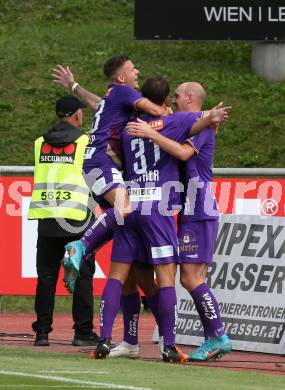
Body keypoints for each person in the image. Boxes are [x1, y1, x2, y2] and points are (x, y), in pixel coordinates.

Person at [91, 76, 230, 362]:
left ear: (190, 99)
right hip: (175, 209)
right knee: (146, 275)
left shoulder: (196, 128)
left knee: (191, 278)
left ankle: (216, 335)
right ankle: (145, 340)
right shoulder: (176, 124)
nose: (175, 100)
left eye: (180, 96)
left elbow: (180, 152)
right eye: (173, 96)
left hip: (198, 208)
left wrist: (152, 131)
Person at [52, 56, 171, 285]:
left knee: (121, 219)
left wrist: (74, 86)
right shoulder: (125, 92)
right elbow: (151, 108)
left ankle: (81, 254)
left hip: (95, 162)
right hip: (101, 162)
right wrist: (171, 114)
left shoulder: (113, 96)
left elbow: (97, 104)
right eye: (132, 68)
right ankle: (80, 247)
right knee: (124, 208)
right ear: (121, 77)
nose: (137, 71)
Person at [28, 96, 98, 347]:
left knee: (46, 276)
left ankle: (42, 332)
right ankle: (83, 332)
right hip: (77, 217)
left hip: (47, 216)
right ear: (78, 115)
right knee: (82, 275)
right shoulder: (86, 142)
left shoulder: (39, 143)